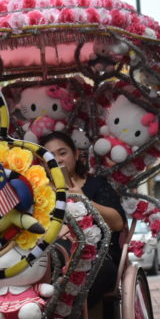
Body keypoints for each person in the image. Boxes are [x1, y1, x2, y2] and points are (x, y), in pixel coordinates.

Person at [39, 131, 126, 308]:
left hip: (96, 258)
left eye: (62, 153)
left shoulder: (96, 184)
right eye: (50, 156)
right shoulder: (39, 191)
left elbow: (118, 223)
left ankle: (69, 315)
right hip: (52, 257)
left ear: (76, 154)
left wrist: (83, 198)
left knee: (100, 271)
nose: (58, 160)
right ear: (43, 163)